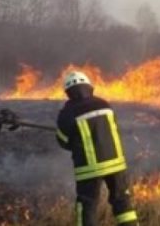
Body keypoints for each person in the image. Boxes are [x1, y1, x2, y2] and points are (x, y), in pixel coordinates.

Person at [56, 71, 138, 226]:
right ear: (88, 86)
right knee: (122, 199)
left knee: (87, 205)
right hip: (116, 163)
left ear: (68, 92)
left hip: (89, 168)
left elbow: (62, 141)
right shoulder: (104, 104)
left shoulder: (68, 112)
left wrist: (75, 140)